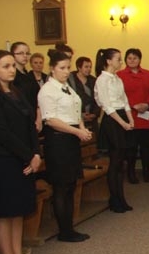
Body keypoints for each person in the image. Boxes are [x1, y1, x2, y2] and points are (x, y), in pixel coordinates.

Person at [0, 50, 42, 254]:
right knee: (5, 211)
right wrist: (28, 156)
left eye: (12, 66)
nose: (11, 70)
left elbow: (30, 125)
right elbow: (1, 132)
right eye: (5, 66)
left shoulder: (17, 92)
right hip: (3, 160)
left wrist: (36, 154)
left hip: (24, 158)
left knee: (19, 210)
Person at [38, 49, 93, 242]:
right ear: (52, 69)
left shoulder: (67, 87)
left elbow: (76, 111)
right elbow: (51, 120)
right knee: (61, 186)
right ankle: (65, 231)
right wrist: (77, 131)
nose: (66, 71)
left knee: (71, 184)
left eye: (68, 68)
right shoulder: (47, 90)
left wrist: (82, 128)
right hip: (58, 140)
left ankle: (69, 227)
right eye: (62, 68)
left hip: (70, 139)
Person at [94, 48, 135, 213]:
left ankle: (121, 198)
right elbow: (106, 105)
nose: (121, 62)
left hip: (121, 116)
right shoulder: (102, 80)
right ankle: (114, 199)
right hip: (112, 120)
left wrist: (130, 119)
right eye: (118, 59)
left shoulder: (117, 79)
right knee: (115, 161)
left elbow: (124, 101)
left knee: (121, 161)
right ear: (109, 61)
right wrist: (122, 123)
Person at [118, 48, 149, 183]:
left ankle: (147, 172)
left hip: (146, 114)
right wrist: (133, 106)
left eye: (135, 58)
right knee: (131, 147)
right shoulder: (120, 75)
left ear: (140, 59)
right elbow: (119, 95)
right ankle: (131, 173)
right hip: (130, 115)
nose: (132, 60)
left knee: (146, 147)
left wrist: (147, 104)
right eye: (129, 58)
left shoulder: (148, 74)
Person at [10, 41, 41, 132]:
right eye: (20, 53)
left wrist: (38, 117)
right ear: (13, 55)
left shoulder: (29, 75)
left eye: (27, 53)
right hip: (20, 119)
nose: (25, 56)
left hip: (34, 116)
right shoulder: (12, 76)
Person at [68, 56, 101, 131]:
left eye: (90, 67)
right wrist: (80, 114)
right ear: (79, 68)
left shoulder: (93, 80)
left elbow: (98, 98)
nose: (89, 69)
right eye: (86, 67)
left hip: (92, 117)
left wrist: (94, 114)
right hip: (76, 117)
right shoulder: (70, 79)